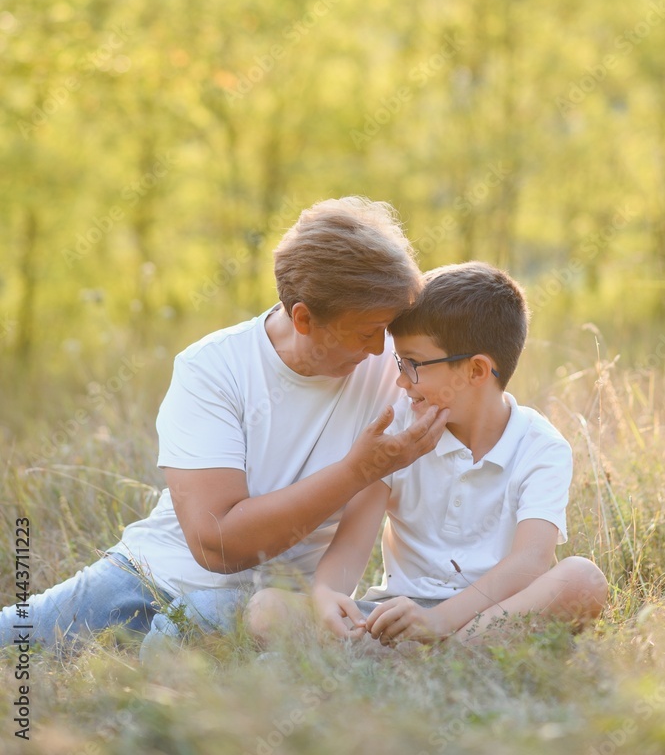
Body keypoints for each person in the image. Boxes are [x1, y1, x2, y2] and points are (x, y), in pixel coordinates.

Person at [0, 197, 449, 653]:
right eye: (366, 332)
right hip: (148, 577)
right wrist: (357, 471)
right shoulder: (212, 368)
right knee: (10, 636)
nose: (380, 350)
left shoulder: (397, 370)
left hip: (270, 608)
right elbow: (218, 545)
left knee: (174, 654)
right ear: (304, 318)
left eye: (386, 329)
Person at [247, 261, 609, 648]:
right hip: (398, 613)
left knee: (582, 580)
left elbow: (530, 562)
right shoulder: (399, 432)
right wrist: (327, 595)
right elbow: (353, 542)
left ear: (475, 371)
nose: (401, 381)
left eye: (413, 365)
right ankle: (432, 655)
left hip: (490, 612)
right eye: (399, 363)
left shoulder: (541, 447)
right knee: (266, 608)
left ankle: (444, 649)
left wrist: (438, 621)